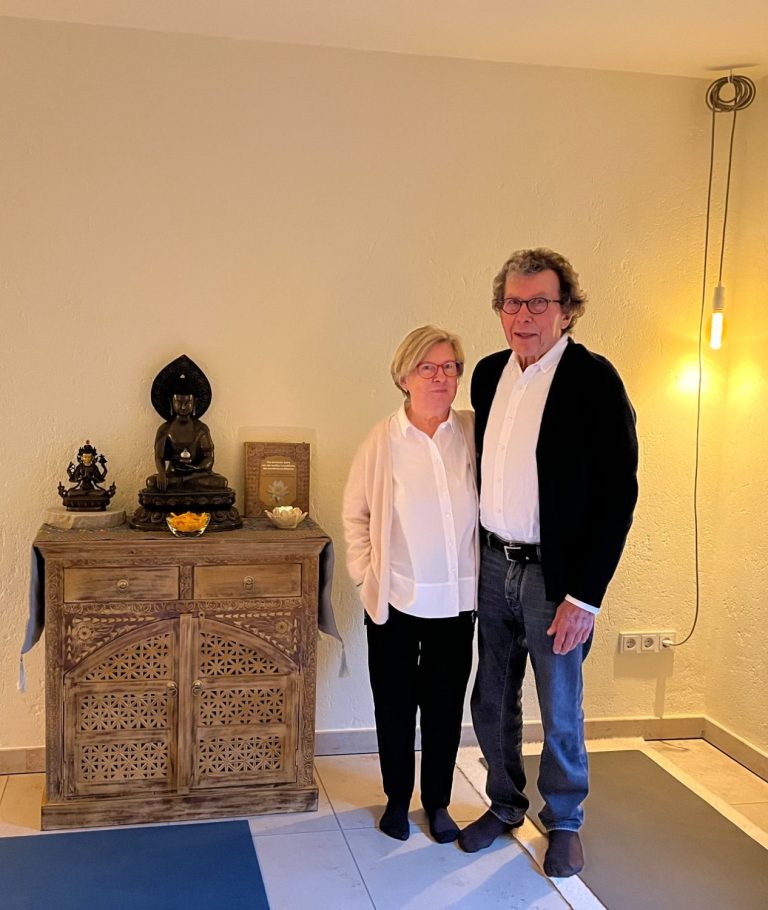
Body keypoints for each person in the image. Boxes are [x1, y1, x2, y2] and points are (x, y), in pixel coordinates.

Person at [459, 249, 638, 877]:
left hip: (554, 579)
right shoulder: (489, 374)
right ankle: (505, 804)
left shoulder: (594, 380)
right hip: (492, 564)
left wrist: (585, 597)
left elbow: (618, 495)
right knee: (492, 698)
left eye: (539, 302)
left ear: (566, 311)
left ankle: (564, 820)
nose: (524, 316)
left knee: (560, 706)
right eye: (513, 303)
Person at [343, 325, 478, 844]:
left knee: (444, 710)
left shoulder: (471, 433)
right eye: (428, 368)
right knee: (395, 707)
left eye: (449, 367)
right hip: (396, 600)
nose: (441, 377)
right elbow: (356, 515)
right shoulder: (383, 441)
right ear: (404, 377)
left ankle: (438, 802)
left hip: (457, 602)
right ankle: (397, 799)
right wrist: (365, 576)